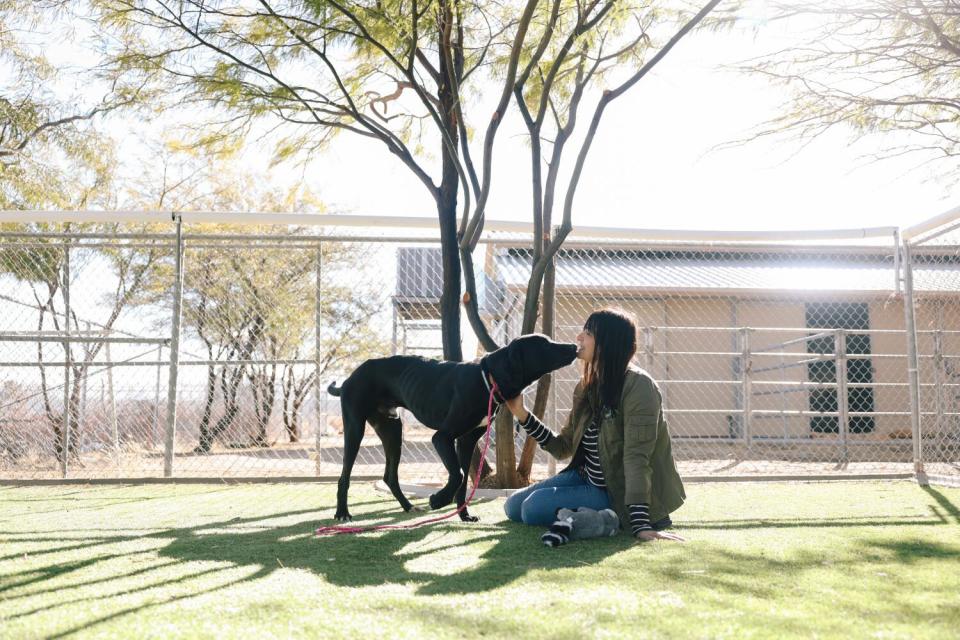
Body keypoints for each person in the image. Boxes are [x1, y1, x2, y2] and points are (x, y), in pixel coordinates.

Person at [503, 308, 686, 544]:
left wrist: (640, 523)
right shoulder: (586, 387)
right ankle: (594, 516)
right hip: (585, 478)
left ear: (607, 343)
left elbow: (637, 457)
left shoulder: (640, 388)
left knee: (531, 509)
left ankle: (611, 519)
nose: (579, 337)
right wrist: (522, 413)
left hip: (615, 492)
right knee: (513, 506)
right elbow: (563, 447)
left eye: (587, 333)